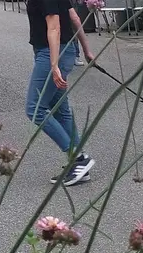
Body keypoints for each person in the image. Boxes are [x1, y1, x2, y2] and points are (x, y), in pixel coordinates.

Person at [26, 0, 97, 187]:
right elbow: (74, 17)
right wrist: (86, 49)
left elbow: (54, 26)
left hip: (52, 53)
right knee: (60, 109)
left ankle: (78, 158)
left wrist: (54, 64)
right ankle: (80, 167)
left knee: (34, 108)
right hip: (63, 51)